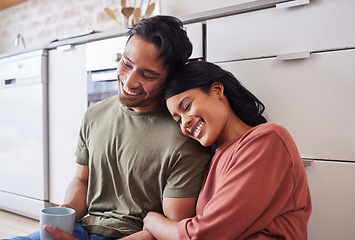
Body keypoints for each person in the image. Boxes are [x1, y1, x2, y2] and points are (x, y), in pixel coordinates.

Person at [12, 16, 211, 240]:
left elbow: (171, 233)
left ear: (170, 79)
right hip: (82, 228)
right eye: (126, 63)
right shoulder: (94, 115)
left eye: (147, 75)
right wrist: (65, 215)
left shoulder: (183, 139)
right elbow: (82, 180)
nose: (129, 81)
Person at [143, 61, 312, 240]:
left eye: (186, 107)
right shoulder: (216, 158)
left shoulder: (268, 140)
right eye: (178, 120)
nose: (185, 123)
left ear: (217, 90)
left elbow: (205, 234)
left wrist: (153, 221)